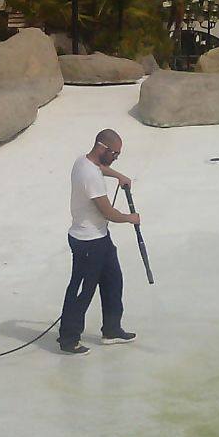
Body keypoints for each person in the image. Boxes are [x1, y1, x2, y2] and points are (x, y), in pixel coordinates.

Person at [58, 129, 140, 355]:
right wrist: (130, 218)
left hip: (101, 239)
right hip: (87, 242)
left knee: (114, 281)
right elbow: (107, 212)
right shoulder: (90, 176)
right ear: (102, 148)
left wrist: (118, 176)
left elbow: (101, 168)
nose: (115, 157)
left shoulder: (85, 162)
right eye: (114, 153)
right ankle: (68, 338)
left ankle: (111, 330)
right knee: (82, 291)